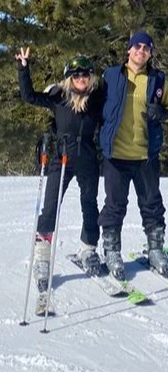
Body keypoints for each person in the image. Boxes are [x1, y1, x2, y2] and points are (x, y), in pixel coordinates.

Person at [16, 48, 104, 293]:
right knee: (51, 205)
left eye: (85, 75)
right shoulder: (59, 97)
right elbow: (29, 96)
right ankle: (42, 257)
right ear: (69, 78)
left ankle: (88, 249)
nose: (81, 80)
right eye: (76, 76)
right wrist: (24, 68)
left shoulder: (97, 98)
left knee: (89, 204)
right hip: (61, 158)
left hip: (87, 158)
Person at [98, 31, 168, 279]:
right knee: (114, 205)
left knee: (152, 204)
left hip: (146, 154)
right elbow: (92, 103)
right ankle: (111, 251)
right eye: (137, 46)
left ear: (151, 53)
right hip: (116, 155)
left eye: (147, 48)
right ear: (129, 50)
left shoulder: (159, 79)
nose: (141, 51)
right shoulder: (110, 76)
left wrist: (163, 114)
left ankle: (155, 249)